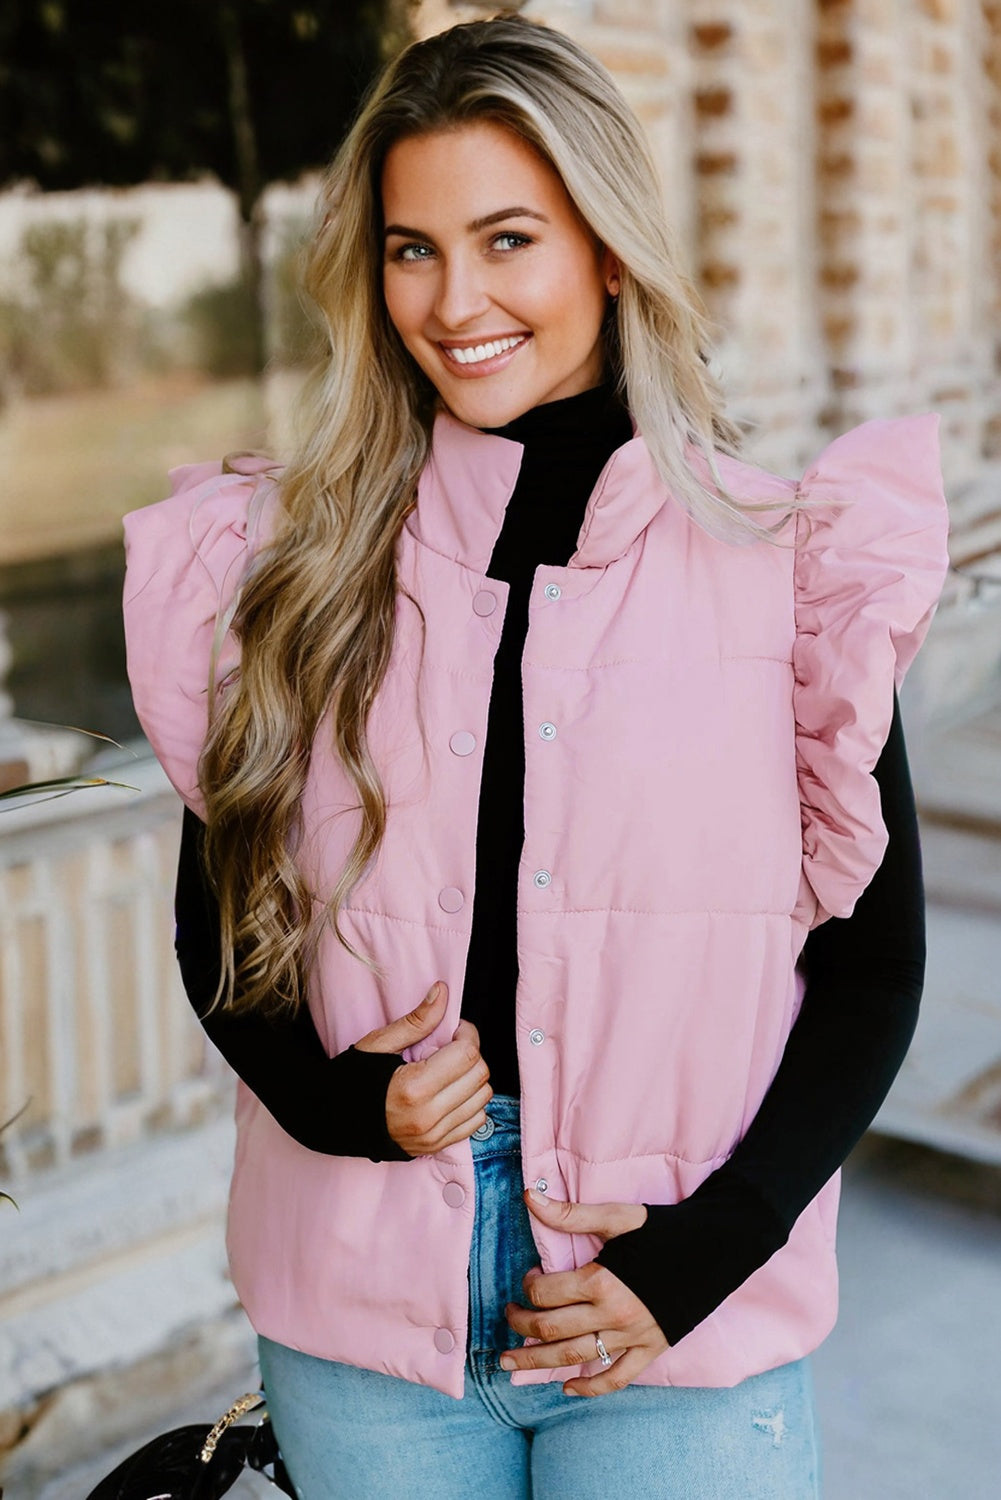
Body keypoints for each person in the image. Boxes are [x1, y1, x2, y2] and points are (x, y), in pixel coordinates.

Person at [122, 15, 950, 1499]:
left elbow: (874, 968)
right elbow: (221, 921)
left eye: (509, 238)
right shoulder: (291, 564)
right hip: (367, 1323)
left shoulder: (787, 568)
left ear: (608, 251)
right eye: (411, 249)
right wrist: (330, 1102)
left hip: (669, 1328)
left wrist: (711, 1251)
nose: (453, 300)